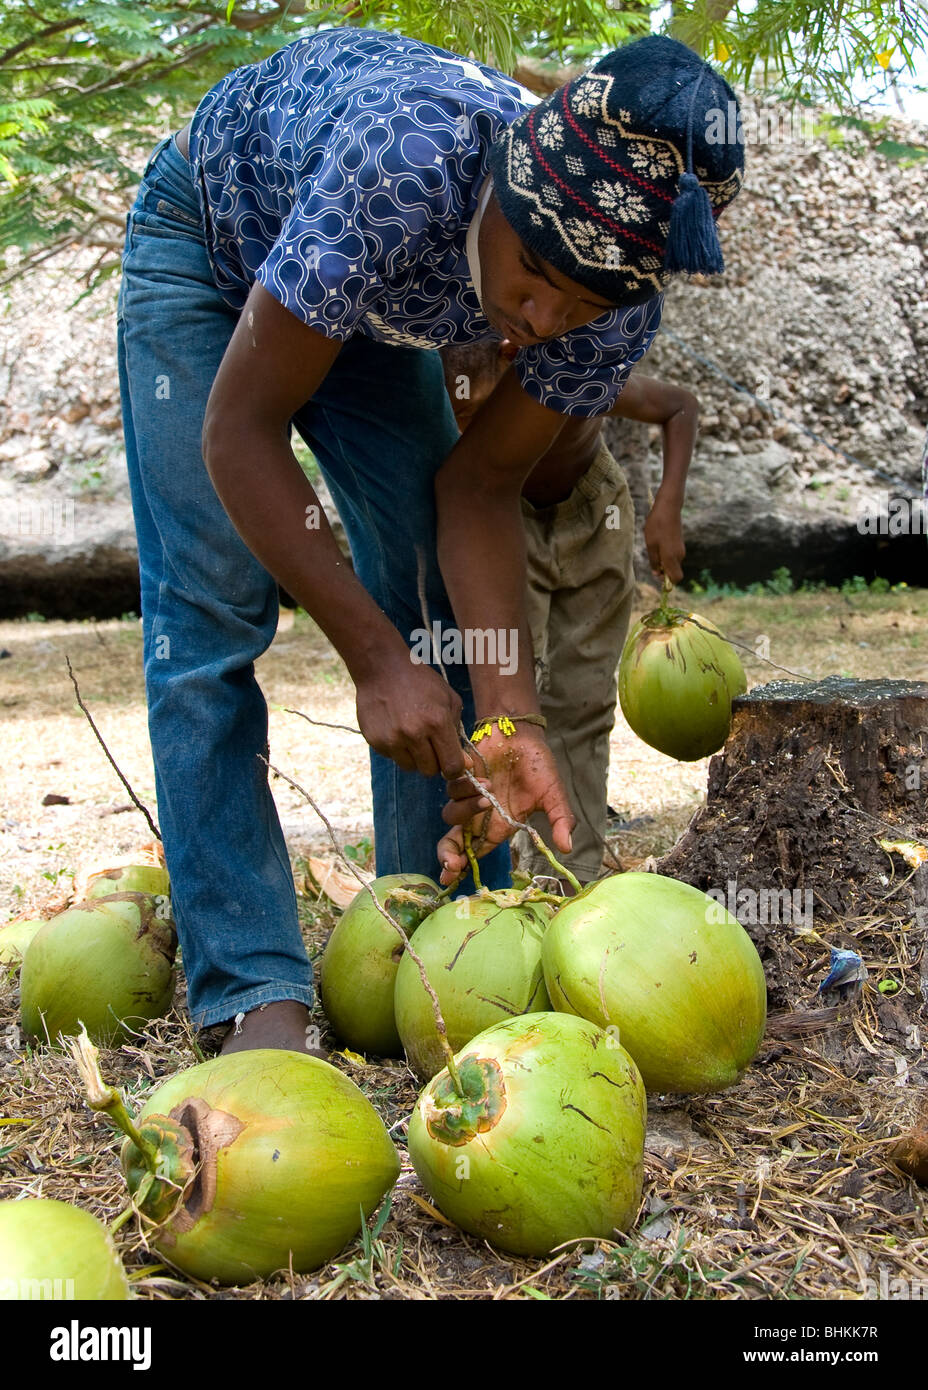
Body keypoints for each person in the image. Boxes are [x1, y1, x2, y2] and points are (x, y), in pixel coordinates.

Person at [117, 25, 744, 1054]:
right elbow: (238, 430)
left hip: (362, 306)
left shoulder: (609, 309)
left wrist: (511, 715)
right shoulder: (402, 167)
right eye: (533, 273)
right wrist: (373, 660)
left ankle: (440, 944)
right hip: (213, 243)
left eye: (578, 304)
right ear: (501, 189)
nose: (537, 320)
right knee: (209, 606)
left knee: (435, 596)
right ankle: (250, 983)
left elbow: (481, 490)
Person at [441, 340, 698, 884]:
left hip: (595, 509)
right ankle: (495, 870)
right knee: (511, 703)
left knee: (583, 698)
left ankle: (570, 874)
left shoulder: (571, 363)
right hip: (501, 523)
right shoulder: (454, 373)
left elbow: (679, 405)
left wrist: (667, 505)